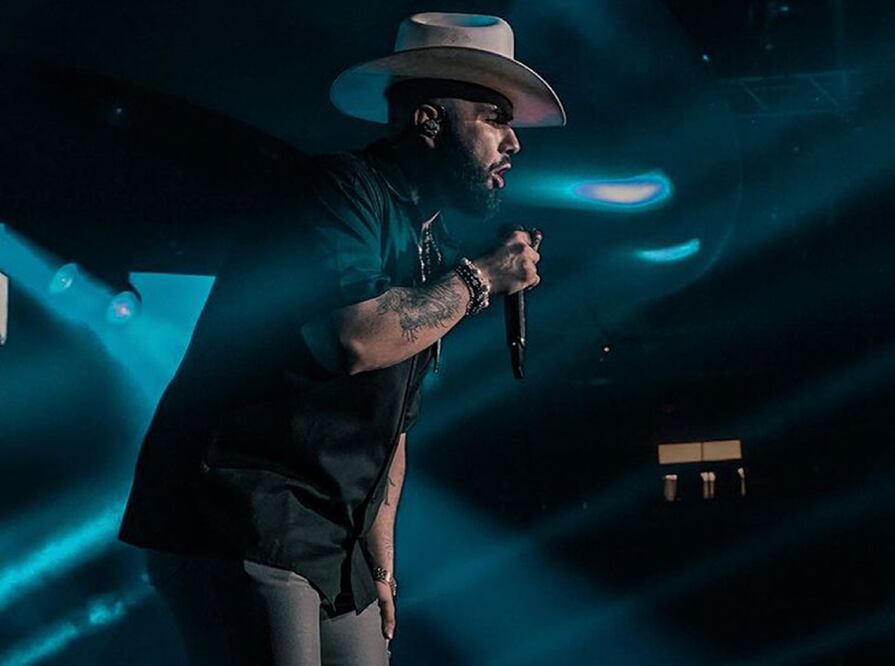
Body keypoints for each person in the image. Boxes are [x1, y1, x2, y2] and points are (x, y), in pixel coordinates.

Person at [118, 12, 565, 665]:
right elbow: (355, 338)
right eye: (494, 117)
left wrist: (378, 562)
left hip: (335, 536)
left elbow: (393, 430)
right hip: (241, 509)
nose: (514, 143)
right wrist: (482, 280)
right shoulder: (336, 192)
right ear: (429, 120)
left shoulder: (427, 246)